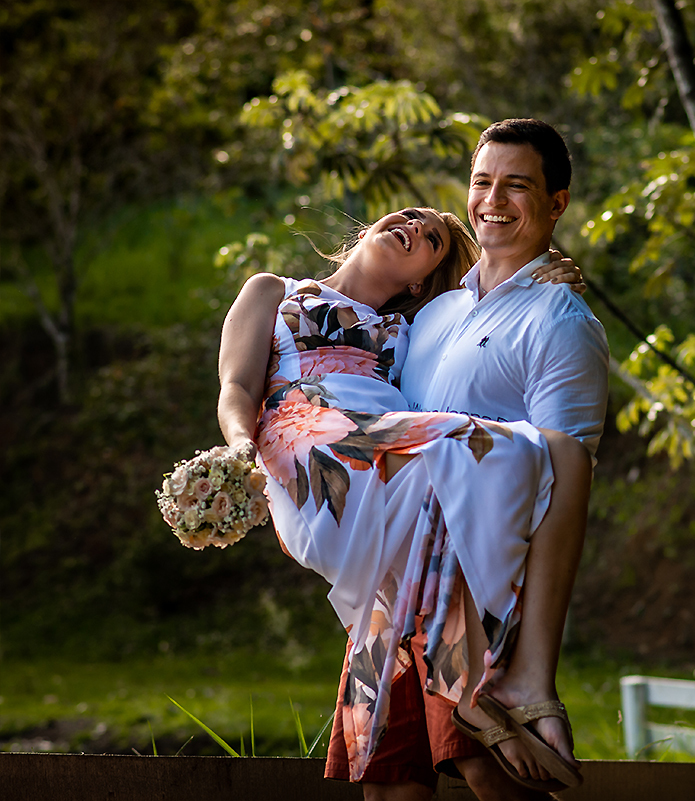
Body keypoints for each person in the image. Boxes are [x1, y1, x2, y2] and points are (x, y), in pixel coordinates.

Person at [216, 203, 595, 799]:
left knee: (531, 463)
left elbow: (477, 308)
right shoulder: (273, 290)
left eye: (433, 239)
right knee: (466, 441)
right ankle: (479, 686)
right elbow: (237, 385)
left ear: (421, 279)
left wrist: (544, 274)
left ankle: (471, 688)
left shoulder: (418, 328)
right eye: (413, 216)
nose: (415, 227)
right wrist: (240, 451)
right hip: (313, 444)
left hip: (393, 467)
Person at [397, 119, 608, 801]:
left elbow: (561, 477)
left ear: (557, 203)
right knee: (390, 779)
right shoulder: (429, 312)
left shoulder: (561, 320)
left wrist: (524, 651)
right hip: (391, 593)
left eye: (517, 186)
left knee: (494, 775)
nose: (493, 199)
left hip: (482, 601)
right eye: (483, 182)